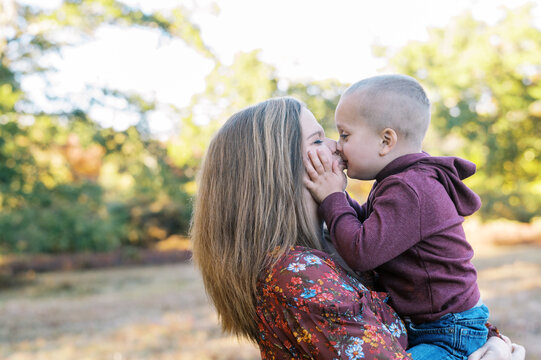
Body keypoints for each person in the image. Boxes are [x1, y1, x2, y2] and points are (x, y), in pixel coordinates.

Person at [191, 96, 524, 359]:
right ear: (280, 170)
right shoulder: (297, 274)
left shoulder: (323, 249)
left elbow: (429, 300)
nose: (337, 146)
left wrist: (495, 342)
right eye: (318, 141)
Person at [303, 74, 509, 359]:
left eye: (345, 135)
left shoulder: (411, 188)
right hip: (434, 324)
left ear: (386, 141)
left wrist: (332, 197)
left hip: (448, 333)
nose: (337, 145)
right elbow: (364, 224)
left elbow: (362, 250)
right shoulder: (400, 181)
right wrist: (335, 193)